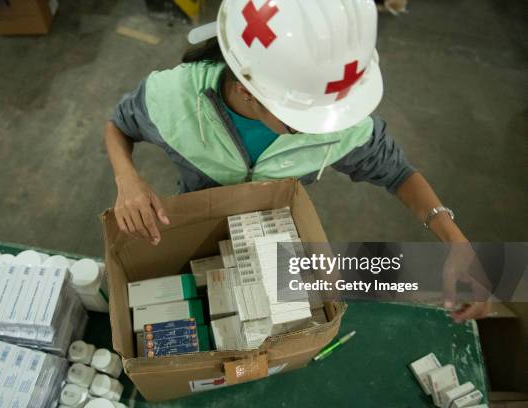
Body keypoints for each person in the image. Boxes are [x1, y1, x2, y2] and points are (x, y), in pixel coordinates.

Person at [104, 0, 490, 321]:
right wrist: (128, 179)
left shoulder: (334, 119)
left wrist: (455, 242)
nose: (324, 129)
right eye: (305, 121)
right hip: (196, 222)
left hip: (274, 236)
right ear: (248, 92)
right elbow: (118, 125)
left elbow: (397, 171)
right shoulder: (173, 99)